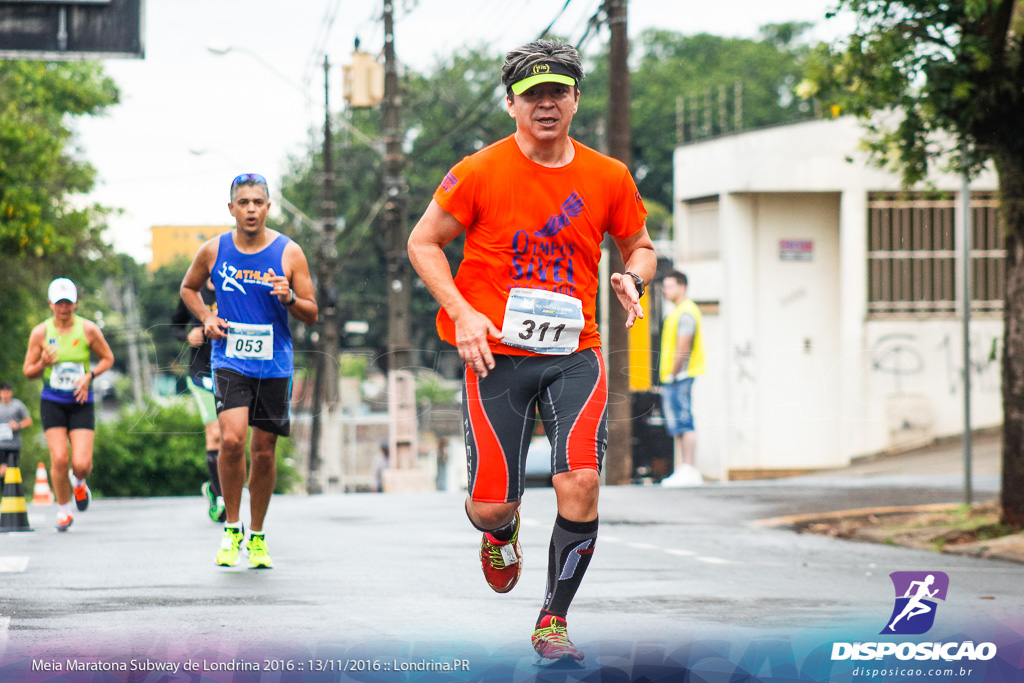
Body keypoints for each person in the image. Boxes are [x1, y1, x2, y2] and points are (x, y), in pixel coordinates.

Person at [407, 39, 655, 664]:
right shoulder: (478, 170)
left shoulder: (608, 176)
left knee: (581, 481)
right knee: (492, 504)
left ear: (575, 99)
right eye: (532, 94)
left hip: (576, 352)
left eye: (557, 92)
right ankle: (503, 532)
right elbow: (423, 242)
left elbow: (640, 245)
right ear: (511, 103)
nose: (546, 104)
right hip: (494, 356)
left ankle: (553, 619)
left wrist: (635, 276)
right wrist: (461, 312)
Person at [180, 173, 317, 569]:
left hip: (274, 364)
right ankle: (232, 528)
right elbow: (189, 288)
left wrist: (289, 297)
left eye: (258, 202)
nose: (251, 209)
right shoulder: (213, 250)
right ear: (232, 209)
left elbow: (312, 311)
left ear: (268, 207)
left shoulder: (289, 253)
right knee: (231, 440)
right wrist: (206, 317)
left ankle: (257, 535)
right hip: (230, 359)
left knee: (264, 451)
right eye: (244, 202)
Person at [22, 278, 114, 531]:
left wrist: (89, 376)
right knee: (59, 458)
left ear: (75, 304)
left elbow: (108, 358)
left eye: (68, 303)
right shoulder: (41, 333)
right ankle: (64, 511)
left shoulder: (88, 330)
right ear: (50, 304)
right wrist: (42, 364)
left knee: (82, 464)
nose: (64, 308)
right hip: (53, 401)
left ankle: (79, 482)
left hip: (81, 400)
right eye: (59, 303)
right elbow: (28, 371)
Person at [171, 278, 225, 522]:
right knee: (214, 433)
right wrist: (187, 336)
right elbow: (175, 326)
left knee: (231, 437)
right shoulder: (193, 292)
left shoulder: (233, 290)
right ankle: (221, 496)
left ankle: (214, 487)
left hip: (232, 370)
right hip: (201, 371)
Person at [658, 271, 705, 485]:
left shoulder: (686, 312)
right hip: (675, 377)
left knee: (684, 421)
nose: (665, 290)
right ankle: (684, 469)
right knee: (678, 422)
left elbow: (683, 345)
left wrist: (673, 372)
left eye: (670, 286)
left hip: (680, 376)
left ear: (682, 287)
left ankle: (689, 469)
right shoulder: (678, 311)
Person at [0, 382, 32, 482]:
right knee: (3, 470)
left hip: (13, 445)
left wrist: (18, 425)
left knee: (9, 471)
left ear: (11, 392)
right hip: (0, 445)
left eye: (7, 391)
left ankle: (10, 494)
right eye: (3, 391)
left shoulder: (17, 405)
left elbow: (29, 421)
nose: (5, 393)